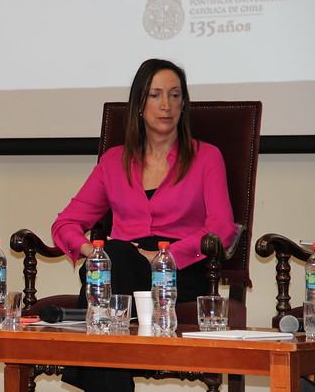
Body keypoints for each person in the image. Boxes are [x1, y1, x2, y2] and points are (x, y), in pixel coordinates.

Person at [51, 58, 238, 391]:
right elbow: (66, 223)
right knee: (114, 258)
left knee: (106, 275)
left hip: (180, 272)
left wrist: (163, 257)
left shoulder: (206, 157)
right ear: (139, 104)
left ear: (184, 104)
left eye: (175, 95)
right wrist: (93, 252)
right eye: (155, 95)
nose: (166, 105)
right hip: (119, 266)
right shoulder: (113, 161)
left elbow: (221, 229)